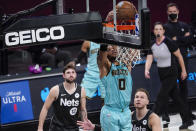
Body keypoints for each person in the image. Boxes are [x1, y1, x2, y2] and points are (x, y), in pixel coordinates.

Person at [145, 22, 193, 129]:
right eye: (156, 29)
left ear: (163, 31)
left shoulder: (168, 42)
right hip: (162, 73)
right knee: (176, 98)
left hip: (171, 73)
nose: (158, 31)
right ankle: (188, 120)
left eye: (160, 29)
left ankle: (150, 120)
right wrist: (146, 70)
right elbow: (149, 57)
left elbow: (179, 56)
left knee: (161, 97)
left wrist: (184, 71)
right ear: (154, 31)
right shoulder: (152, 44)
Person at [164, 2, 196, 120]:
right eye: (170, 12)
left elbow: (190, 39)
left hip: (184, 60)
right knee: (169, 88)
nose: (172, 13)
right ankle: (165, 114)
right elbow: (168, 43)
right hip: (171, 61)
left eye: (174, 11)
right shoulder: (165, 28)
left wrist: (177, 39)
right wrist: (183, 38)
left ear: (178, 12)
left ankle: (186, 112)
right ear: (167, 13)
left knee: (184, 87)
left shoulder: (184, 25)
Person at [77, 88, 162, 131]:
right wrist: (94, 127)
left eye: (142, 97)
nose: (138, 99)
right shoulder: (129, 115)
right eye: (136, 97)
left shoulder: (153, 118)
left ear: (148, 101)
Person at [37, 63, 87, 131]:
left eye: (73, 72)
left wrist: (85, 124)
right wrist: (40, 128)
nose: (71, 74)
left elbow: (83, 110)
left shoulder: (81, 90)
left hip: (73, 128)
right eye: (68, 73)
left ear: (76, 74)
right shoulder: (55, 90)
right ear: (63, 75)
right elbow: (45, 108)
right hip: (57, 128)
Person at [97, 44, 133, 131]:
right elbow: (102, 58)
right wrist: (104, 44)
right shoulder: (105, 68)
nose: (113, 49)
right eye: (109, 49)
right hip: (111, 112)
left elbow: (131, 51)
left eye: (114, 48)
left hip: (126, 111)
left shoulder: (126, 65)